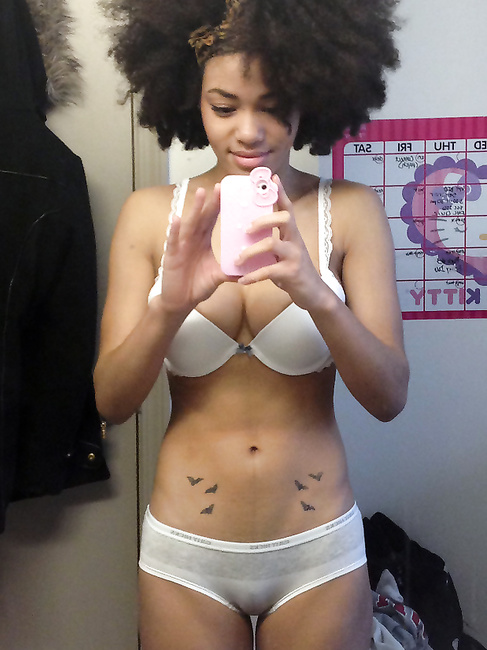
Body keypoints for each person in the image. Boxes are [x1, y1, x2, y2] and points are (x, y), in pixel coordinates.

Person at [95, 0, 409, 648]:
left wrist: (318, 297)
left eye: (272, 105)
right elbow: (111, 402)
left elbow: (389, 398)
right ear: (191, 101)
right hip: (187, 553)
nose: (248, 131)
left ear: (308, 99)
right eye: (223, 106)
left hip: (316, 548)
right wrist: (169, 306)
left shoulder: (350, 210)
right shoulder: (149, 216)